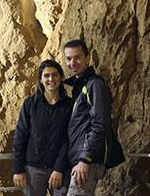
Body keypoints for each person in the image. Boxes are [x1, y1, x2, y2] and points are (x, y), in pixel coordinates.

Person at [13, 60, 74, 196]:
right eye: (46, 76)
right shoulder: (30, 104)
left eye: (55, 75)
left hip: (60, 168)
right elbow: (20, 136)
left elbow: (68, 139)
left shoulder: (69, 106)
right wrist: (18, 169)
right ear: (41, 79)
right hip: (33, 168)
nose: (51, 79)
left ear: (61, 77)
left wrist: (58, 168)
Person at [63, 39, 114, 196]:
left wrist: (85, 159)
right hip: (82, 160)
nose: (73, 63)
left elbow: (100, 123)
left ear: (87, 58)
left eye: (77, 57)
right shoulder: (80, 86)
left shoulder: (94, 85)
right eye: (69, 59)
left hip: (88, 161)